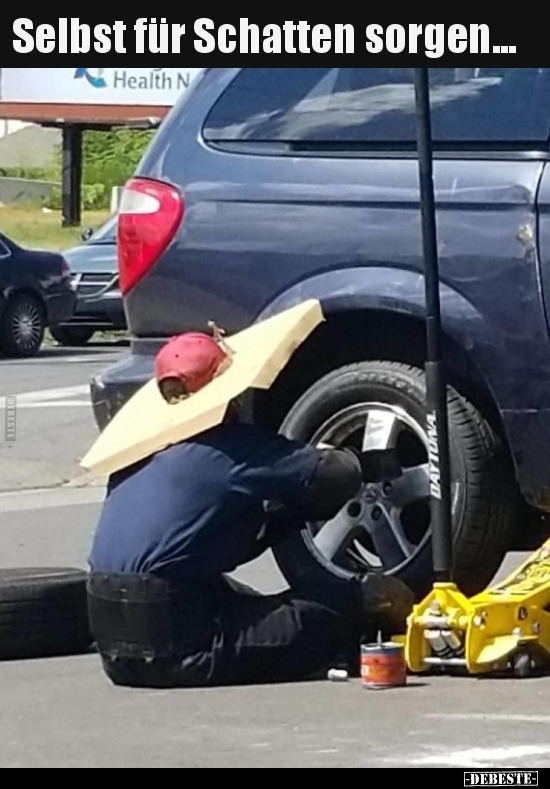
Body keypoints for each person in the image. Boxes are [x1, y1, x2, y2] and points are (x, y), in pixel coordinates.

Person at [87, 331, 414, 688]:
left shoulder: (135, 453)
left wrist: (280, 516)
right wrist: (357, 463)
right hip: (185, 650)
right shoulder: (231, 452)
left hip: (116, 654)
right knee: (356, 604)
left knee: (247, 601)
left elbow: (212, 539)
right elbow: (336, 474)